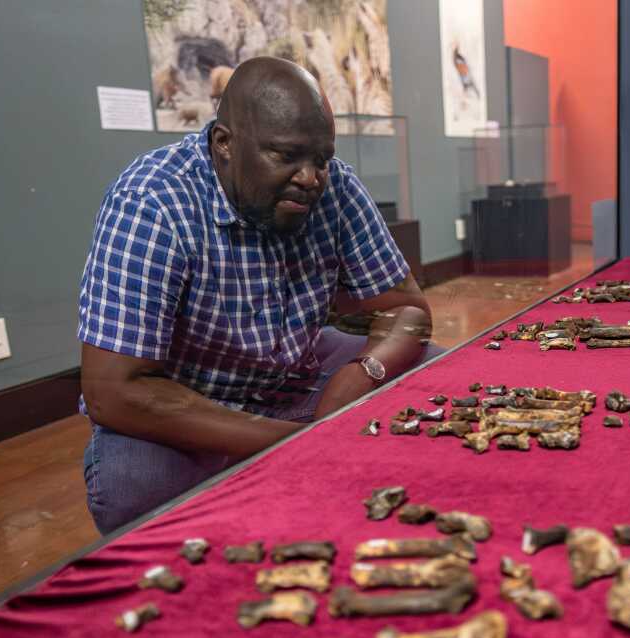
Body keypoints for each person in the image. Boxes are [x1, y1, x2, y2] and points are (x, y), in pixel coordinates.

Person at [78, 57, 438, 534]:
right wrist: (291, 441)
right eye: (286, 156)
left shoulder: (336, 187)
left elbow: (406, 308)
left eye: (321, 160)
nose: (310, 178)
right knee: (132, 491)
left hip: (297, 372)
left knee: (436, 373)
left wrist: (358, 376)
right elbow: (114, 391)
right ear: (224, 144)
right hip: (192, 402)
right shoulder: (153, 201)